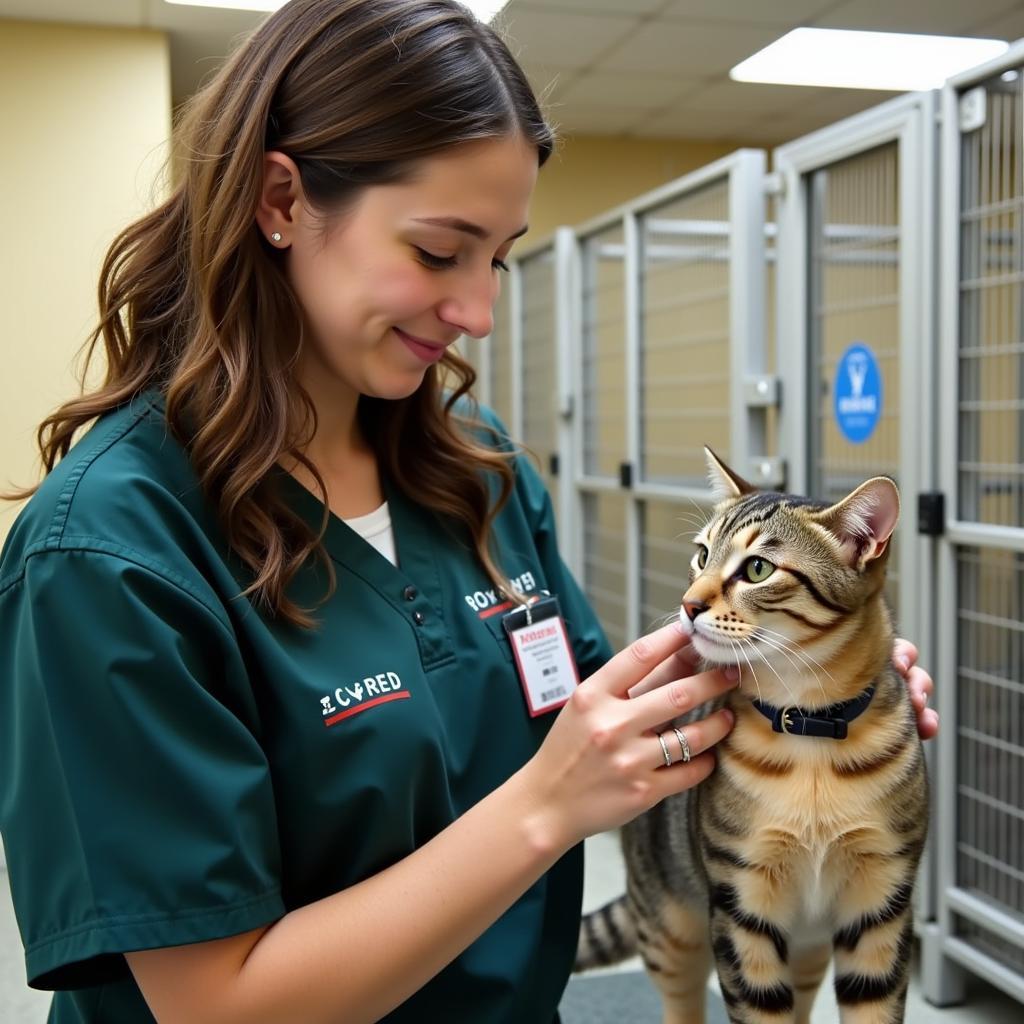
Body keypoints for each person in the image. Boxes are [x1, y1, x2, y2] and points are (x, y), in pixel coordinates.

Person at [0, 1, 937, 1022]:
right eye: (441, 252)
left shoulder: (476, 470)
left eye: (497, 255)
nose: (479, 312)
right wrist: (545, 808)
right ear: (281, 200)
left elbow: (603, 705)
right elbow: (218, 1006)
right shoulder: (108, 552)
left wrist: (816, 679)